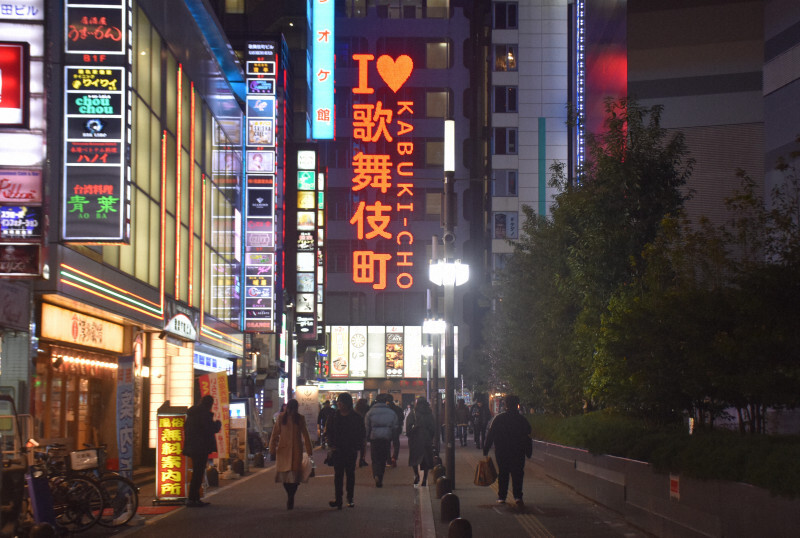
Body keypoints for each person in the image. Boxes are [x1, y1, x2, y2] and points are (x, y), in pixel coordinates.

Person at [483, 395, 532, 509]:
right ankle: (518, 497)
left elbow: (491, 435)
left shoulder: (499, 419)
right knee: (518, 473)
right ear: (517, 405)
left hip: (502, 451)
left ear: (505, 405)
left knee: (503, 473)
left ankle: (502, 497)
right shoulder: (522, 420)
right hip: (518, 451)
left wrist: (486, 449)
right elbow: (528, 436)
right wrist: (528, 452)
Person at [268, 399, 313, 510]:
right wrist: (272, 448)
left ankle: (291, 496)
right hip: (283, 451)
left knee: (295, 477)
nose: (291, 411)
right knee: (284, 477)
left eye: (293, 409)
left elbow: (305, 435)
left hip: (296, 451)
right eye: (290, 408)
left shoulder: (300, 419)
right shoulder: (281, 418)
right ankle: (290, 495)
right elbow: (274, 434)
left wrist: (309, 450)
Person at [324, 393, 366, 509]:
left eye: (341, 402)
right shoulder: (334, 416)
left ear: (347, 404)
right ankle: (338, 499)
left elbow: (362, 435)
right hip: (337, 449)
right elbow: (329, 432)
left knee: (350, 474)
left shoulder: (356, 417)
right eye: (338, 402)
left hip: (351, 450)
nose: (339, 404)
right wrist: (331, 445)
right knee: (338, 475)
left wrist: (362, 453)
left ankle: (350, 498)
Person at [182, 395, 221, 507]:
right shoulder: (203, 414)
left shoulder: (192, 414)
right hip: (201, 448)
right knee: (198, 474)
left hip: (192, 447)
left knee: (197, 473)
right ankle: (193, 499)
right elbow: (211, 428)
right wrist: (218, 423)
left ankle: (194, 498)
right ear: (209, 404)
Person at [364, 394, 398, 487]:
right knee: (383, 458)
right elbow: (395, 426)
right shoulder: (391, 413)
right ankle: (380, 477)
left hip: (374, 438)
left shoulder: (370, 412)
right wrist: (393, 437)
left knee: (375, 459)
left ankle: (376, 474)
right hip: (386, 438)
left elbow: (367, 426)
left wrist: (367, 437)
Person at [406, 397, 435, 486]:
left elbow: (408, 426)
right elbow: (433, 427)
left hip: (415, 437)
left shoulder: (413, 413)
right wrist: (430, 437)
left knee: (414, 457)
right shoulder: (429, 413)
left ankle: (417, 475)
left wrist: (409, 434)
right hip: (426, 438)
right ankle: (425, 479)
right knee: (426, 459)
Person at [386, 396, 404, 467]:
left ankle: (388, 460)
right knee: (396, 443)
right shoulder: (398, 408)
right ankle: (394, 457)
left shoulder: (385, 409)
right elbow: (402, 417)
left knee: (387, 444)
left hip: (387, 428)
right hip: (396, 428)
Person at [354, 398, 370, 467]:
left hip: (356, 428)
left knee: (354, 446)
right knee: (363, 446)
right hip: (363, 427)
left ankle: (354, 461)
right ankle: (362, 460)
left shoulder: (355, 409)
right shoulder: (367, 408)